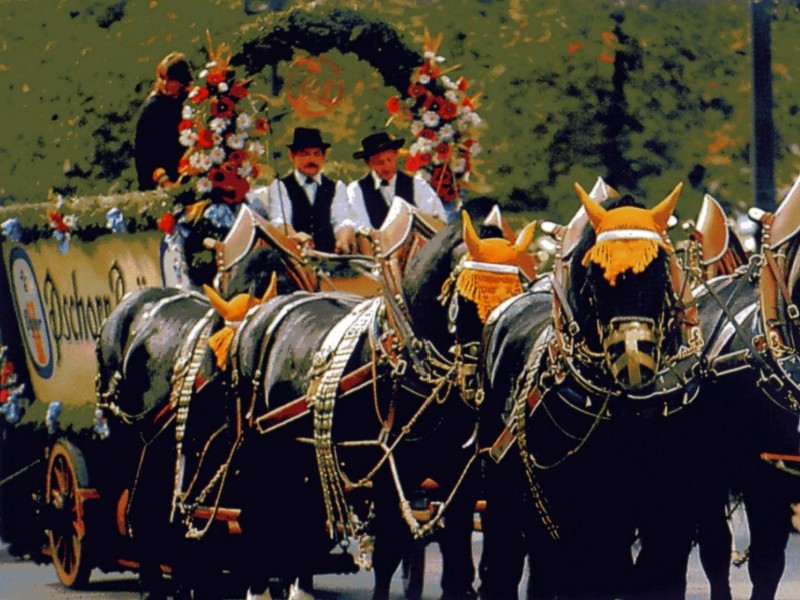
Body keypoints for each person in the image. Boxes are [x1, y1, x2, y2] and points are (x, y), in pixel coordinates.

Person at [249, 127, 355, 254]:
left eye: (316, 153)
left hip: (330, 257)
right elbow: (279, 221)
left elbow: (342, 220)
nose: (311, 160)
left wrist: (342, 239)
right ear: (292, 156)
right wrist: (295, 236)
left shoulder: (337, 187)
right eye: (304, 154)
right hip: (295, 259)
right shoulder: (280, 186)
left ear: (323, 156)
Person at [347, 131, 449, 230]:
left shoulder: (417, 184)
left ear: (396, 155)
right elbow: (361, 228)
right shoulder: (356, 190)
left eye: (389, 159)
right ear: (368, 163)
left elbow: (437, 217)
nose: (387, 167)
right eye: (379, 162)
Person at [134, 52, 193, 191]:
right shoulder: (154, 108)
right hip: (162, 180)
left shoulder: (190, 101)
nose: (165, 84)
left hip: (188, 173)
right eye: (162, 78)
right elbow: (144, 155)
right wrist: (165, 182)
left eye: (171, 80)